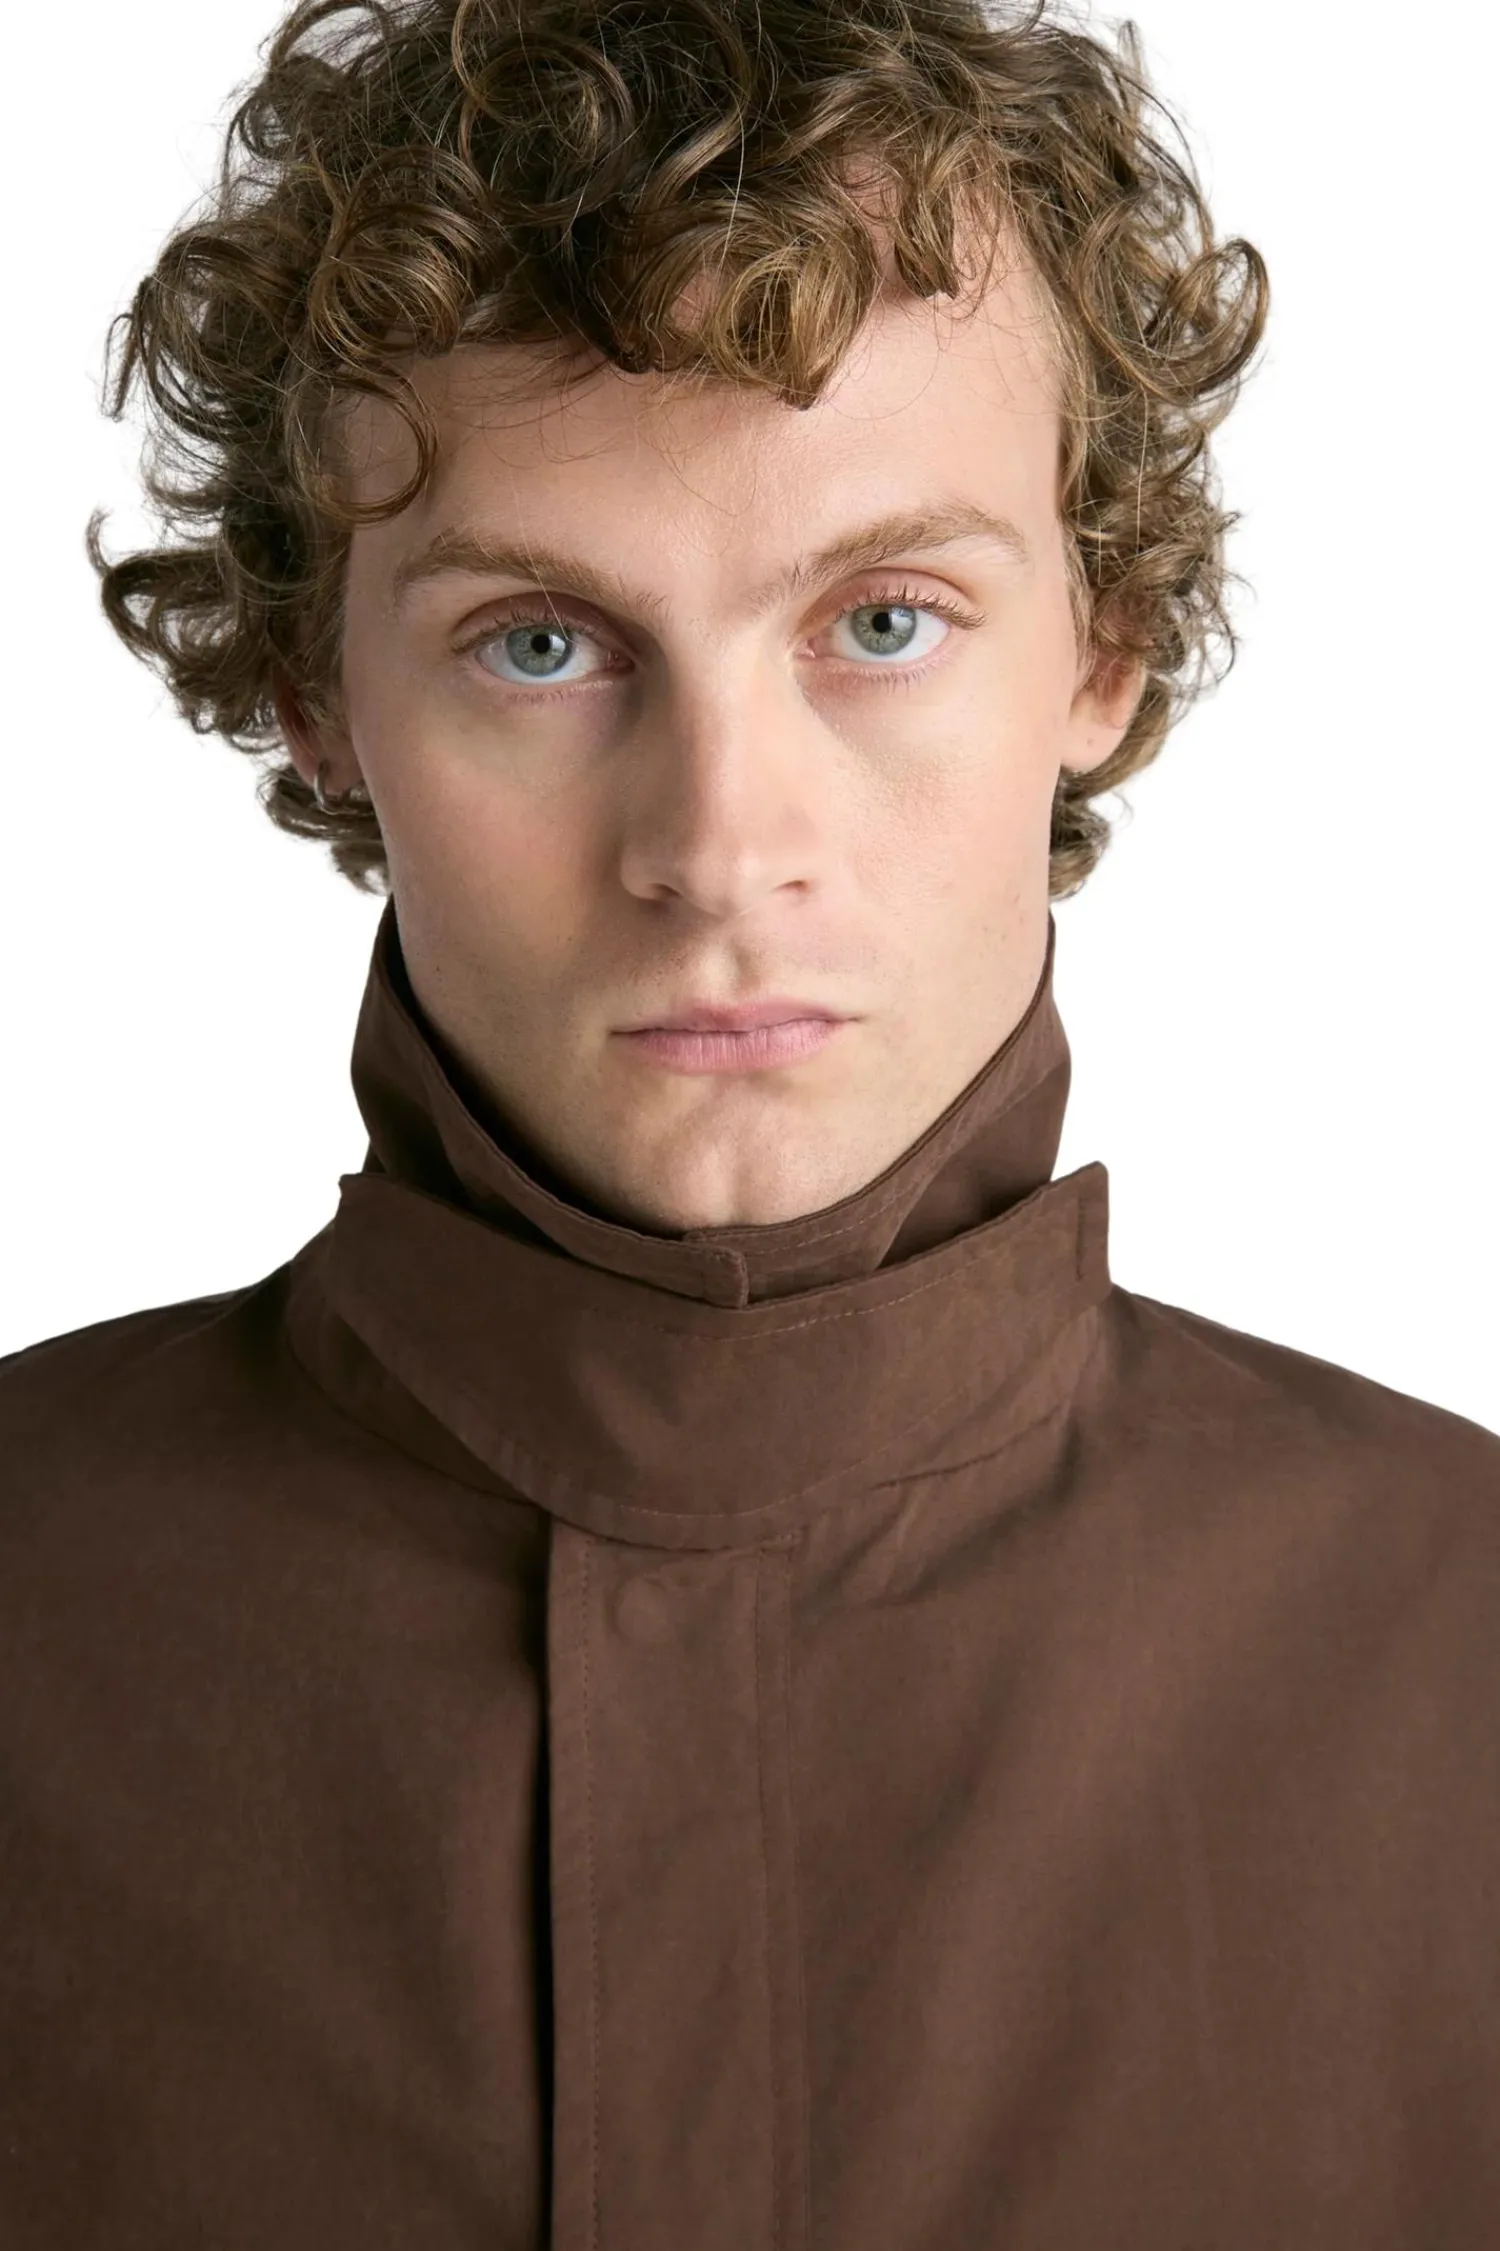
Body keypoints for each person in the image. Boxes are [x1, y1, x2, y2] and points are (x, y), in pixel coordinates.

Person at [3, 0, 1496, 2243]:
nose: (718, 850)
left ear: (1102, 648)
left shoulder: (1466, 1654)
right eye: (539, 644)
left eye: (882, 619)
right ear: (317, 692)